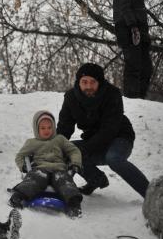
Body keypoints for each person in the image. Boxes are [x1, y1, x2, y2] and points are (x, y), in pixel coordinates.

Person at [56, 63, 149, 198]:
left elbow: (109, 129)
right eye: (84, 82)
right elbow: (64, 127)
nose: (88, 86)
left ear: (99, 82)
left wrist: (85, 149)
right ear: (78, 82)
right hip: (94, 140)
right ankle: (95, 179)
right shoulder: (71, 97)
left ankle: (150, 193)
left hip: (120, 138)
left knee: (114, 158)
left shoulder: (112, 94)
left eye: (93, 82)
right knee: (65, 151)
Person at [8, 110, 83, 218]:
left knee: (65, 182)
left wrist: (75, 163)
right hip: (40, 168)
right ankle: (18, 197)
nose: (46, 130)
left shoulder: (60, 139)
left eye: (49, 127)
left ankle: (74, 204)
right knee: (34, 179)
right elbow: (19, 156)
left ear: (54, 127)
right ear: (36, 129)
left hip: (59, 169)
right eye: (43, 128)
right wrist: (23, 166)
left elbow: (74, 150)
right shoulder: (32, 142)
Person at [113, 0, 152, 99]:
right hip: (128, 29)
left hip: (139, 30)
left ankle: (140, 98)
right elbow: (125, 7)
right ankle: (133, 99)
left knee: (146, 68)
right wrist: (133, 27)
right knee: (134, 66)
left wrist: (144, 34)